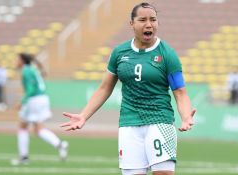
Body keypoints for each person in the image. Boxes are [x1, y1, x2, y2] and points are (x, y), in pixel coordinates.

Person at [61, 2, 195, 175]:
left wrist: (185, 117)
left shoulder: (167, 54)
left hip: (160, 122)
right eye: (143, 20)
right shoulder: (119, 53)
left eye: (153, 20)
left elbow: (180, 92)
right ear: (131, 23)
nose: (149, 24)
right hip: (129, 125)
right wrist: (83, 116)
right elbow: (104, 88)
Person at [11, 53, 68, 165]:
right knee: (39, 129)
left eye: (16, 59)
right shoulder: (32, 69)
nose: (15, 61)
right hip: (42, 98)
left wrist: (22, 101)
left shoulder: (26, 71)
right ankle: (60, 145)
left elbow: (31, 88)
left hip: (34, 100)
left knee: (23, 126)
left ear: (22, 61)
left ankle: (24, 157)